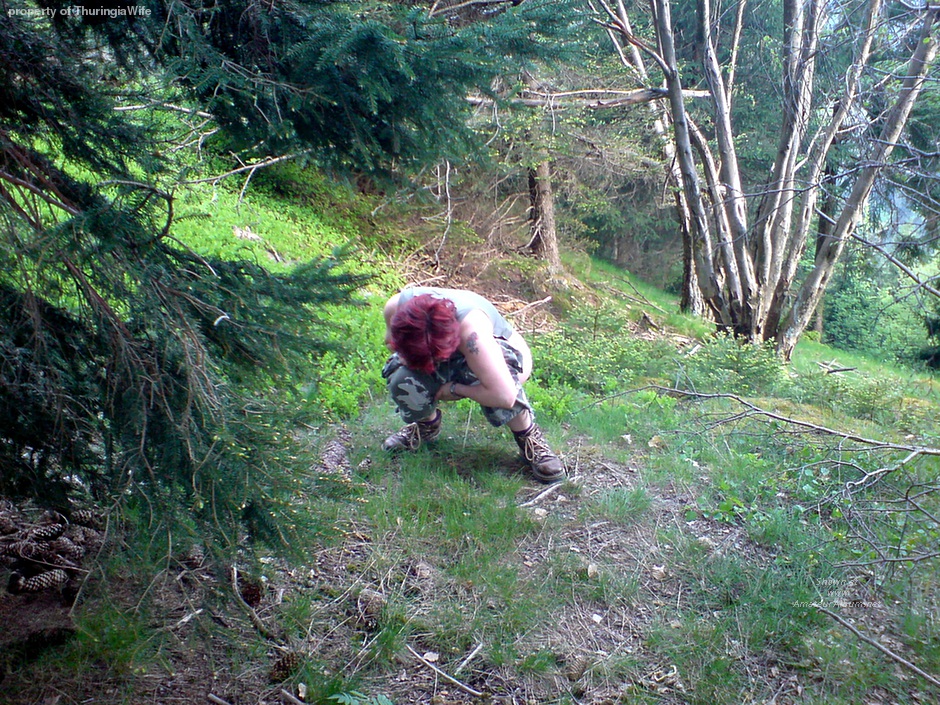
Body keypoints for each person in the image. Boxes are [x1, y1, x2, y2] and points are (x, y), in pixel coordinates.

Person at [381, 286, 565, 483]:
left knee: (495, 380)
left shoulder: (473, 333)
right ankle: (426, 425)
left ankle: (528, 437)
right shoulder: (396, 307)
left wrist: (455, 389)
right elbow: (391, 343)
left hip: (500, 356)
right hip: (439, 346)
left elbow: (505, 395)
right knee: (401, 376)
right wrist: (415, 360)